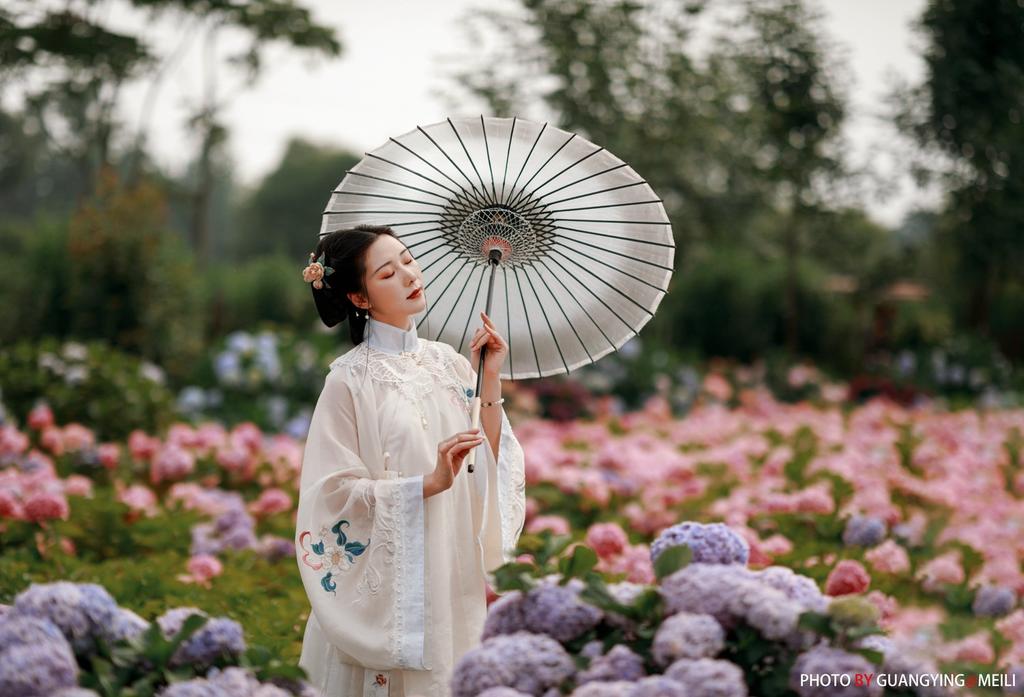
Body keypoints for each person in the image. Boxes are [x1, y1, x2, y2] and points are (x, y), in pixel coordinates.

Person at [293, 224, 527, 697]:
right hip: (396, 584)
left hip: (451, 565)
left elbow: (487, 459)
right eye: (387, 273)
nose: (408, 275)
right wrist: (427, 483)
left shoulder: (450, 363)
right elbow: (331, 495)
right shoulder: (348, 381)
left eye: (407, 259)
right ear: (359, 298)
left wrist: (490, 379)